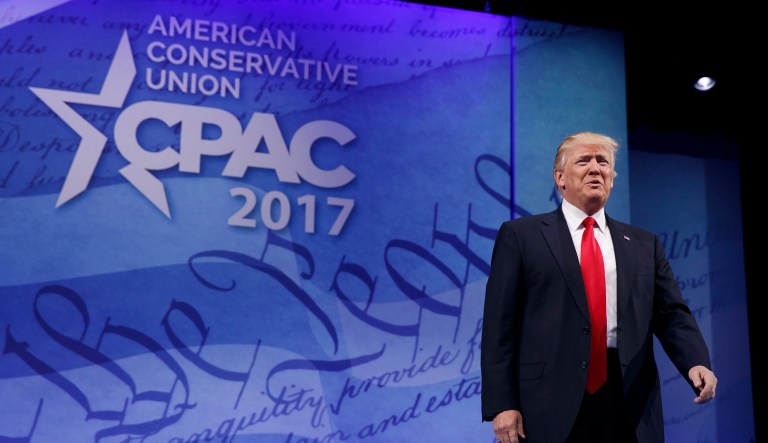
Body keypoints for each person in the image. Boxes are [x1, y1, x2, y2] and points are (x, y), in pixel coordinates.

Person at [480, 131, 717, 443]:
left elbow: (671, 313)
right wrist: (503, 403)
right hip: (546, 403)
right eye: (584, 161)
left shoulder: (644, 244)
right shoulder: (522, 236)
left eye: (603, 162)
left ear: (612, 178)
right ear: (560, 177)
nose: (595, 168)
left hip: (628, 398)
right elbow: (500, 326)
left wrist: (696, 361)